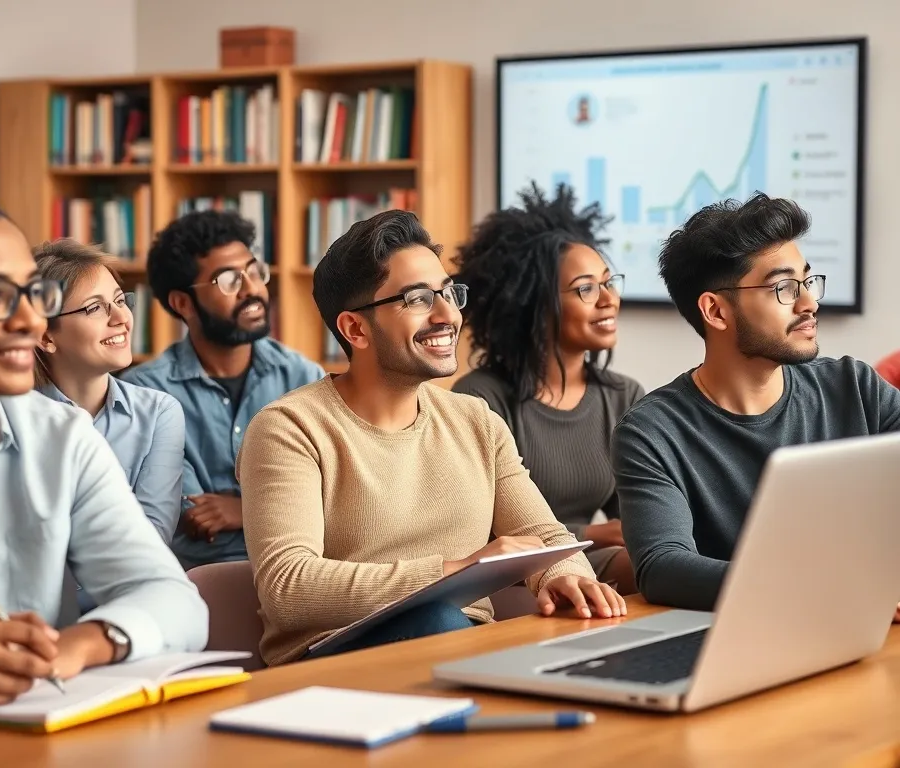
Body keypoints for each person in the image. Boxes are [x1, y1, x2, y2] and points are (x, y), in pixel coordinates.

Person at [0, 124, 207, 730]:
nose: (31, 321)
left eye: (34, 293)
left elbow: (175, 601)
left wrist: (74, 646)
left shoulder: (61, 437)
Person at [237, 209, 626, 667]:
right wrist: (455, 572)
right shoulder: (289, 427)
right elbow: (289, 586)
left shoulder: (475, 420)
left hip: (462, 649)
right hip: (331, 664)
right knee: (440, 622)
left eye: (449, 293)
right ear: (355, 329)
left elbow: (541, 534)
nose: (448, 315)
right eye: (418, 299)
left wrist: (564, 575)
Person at [612, 193, 900, 623]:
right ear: (716, 310)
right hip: (747, 636)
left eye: (807, 281)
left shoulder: (854, 388)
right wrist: (824, 591)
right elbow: (662, 566)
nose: (809, 303)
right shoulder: (652, 431)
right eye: (784, 288)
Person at [452, 183, 644, 595]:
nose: (609, 299)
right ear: (535, 306)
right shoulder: (479, 399)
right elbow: (477, 532)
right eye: (586, 288)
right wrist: (591, 532)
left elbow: (632, 522)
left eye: (610, 283)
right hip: (515, 576)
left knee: (659, 564)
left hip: (592, 560)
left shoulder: (623, 396)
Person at [122, 210, 324, 568]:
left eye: (254, 271)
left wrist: (242, 510)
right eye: (229, 280)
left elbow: (332, 499)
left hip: (298, 571)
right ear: (182, 303)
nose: (253, 290)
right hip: (198, 583)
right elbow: (191, 522)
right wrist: (281, 509)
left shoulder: (302, 376)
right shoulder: (145, 393)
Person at [33, 239, 185, 545]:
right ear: (45, 336)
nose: (121, 319)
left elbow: (151, 540)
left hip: (128, 590)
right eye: (94, 308)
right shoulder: (13, 418)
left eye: (120, 300)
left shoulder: (159, 412)